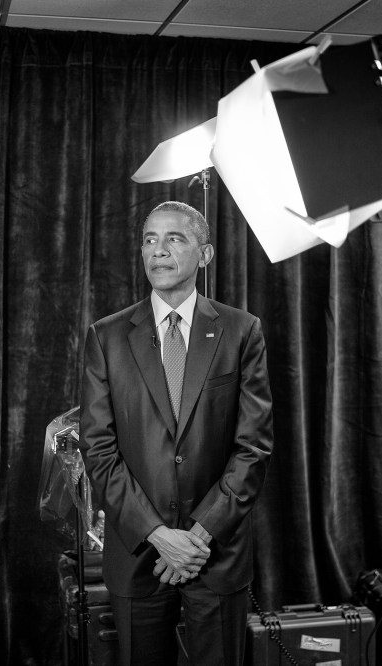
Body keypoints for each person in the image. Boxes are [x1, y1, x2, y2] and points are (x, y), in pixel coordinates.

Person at [79, 200, 273, 666]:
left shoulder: (241, 331)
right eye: (150, 240)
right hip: (137, 551)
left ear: (204, 255)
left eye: (174, 239)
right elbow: (98, 448)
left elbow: (253, 446)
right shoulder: (106, 337)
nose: (158, 250)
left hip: (216, 552)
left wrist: (198, 537)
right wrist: (159, 535)